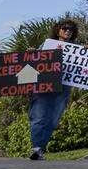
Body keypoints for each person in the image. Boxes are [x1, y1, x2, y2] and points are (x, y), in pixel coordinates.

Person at [28, 19, 78, 160]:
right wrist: (32, 53)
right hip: (44, 85)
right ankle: (36, 147)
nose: (68, 31)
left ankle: (40, 148)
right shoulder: (47, 44)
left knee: (53, 118)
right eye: (65, 28)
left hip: (62, 87)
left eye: (71, 29)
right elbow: (35, 62)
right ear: (58, 30)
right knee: (38, 115)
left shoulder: (77, 48)